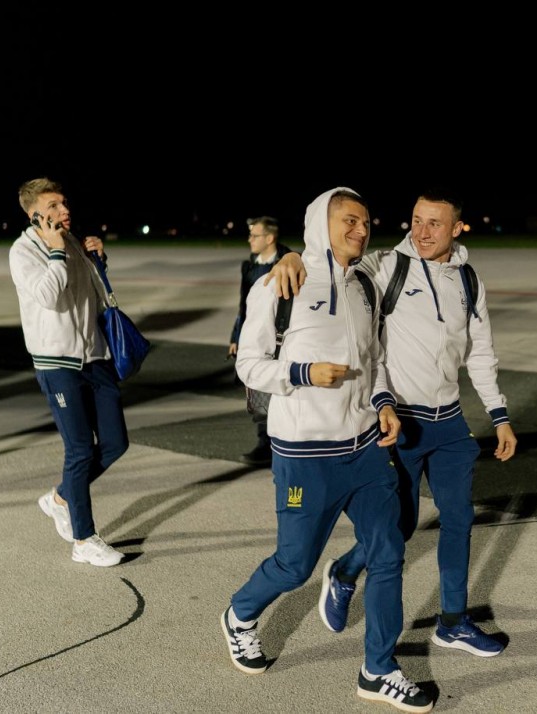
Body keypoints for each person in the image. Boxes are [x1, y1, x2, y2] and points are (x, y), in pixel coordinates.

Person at [268, 188, 518, 657]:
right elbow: (335, 262)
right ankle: (345, 571)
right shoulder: (386, 265)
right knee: (398, 526)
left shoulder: (468, 280)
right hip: (400, 420)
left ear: (457, 228)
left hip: (450, 422)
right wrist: (293, 257)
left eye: (434, 224)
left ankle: (453, 621)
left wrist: (498, 414)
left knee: (459, 520)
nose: (422, 231)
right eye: (416, 220)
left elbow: (481, 352)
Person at [221, 187, 434, 713]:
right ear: (322, 223)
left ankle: (378, 669)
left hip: (364, 448)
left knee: (388, 552)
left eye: (366, 222)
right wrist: (302, 373)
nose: (361, 230)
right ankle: (240, 615)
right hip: (304, 453)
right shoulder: (281, 283)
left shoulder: (364, 285)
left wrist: (383, 402)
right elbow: (248, 365)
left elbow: (374, 358)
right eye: (349, 221)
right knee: (295, 566)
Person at [9, 177, 128, 568]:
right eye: (54, 206)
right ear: (35, 215)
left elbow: (94, 297)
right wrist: (57, 251)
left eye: (64, 203)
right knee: (79, 450)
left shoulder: (73, 240)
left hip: (95, 356)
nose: (65, 210)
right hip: (57, 363)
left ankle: (60, 497)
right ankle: (83, 539)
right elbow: (48, 295)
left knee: (115, 443)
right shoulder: (23, 251)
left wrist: (97, 261)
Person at [227, 216, 294, 466]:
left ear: (270, 238)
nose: (250, 240)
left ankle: (283, 443)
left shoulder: (290, 261)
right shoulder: (250, 265)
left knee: (282, 393)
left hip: (282, 337)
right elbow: (244, 306)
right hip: (257, 336)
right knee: (257, 393)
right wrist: (237, 336)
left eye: (254, 235)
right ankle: (265, 444)